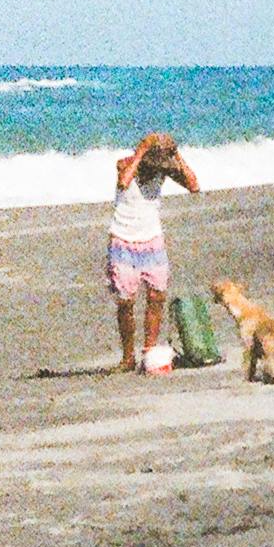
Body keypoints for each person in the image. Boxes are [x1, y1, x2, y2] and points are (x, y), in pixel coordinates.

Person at [107, 131, 199, 372]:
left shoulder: (162, 171)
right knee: (126, 302)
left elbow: (194, 185)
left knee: (157, 296)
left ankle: (149, 352)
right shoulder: (125, 164)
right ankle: (128, 357)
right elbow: (123, 182)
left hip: (152, 240)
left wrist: (176, 153)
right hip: (123, 240)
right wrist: (142, 151)